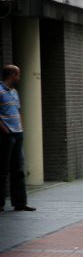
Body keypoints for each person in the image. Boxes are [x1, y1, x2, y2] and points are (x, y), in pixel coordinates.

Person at [0, 65, 36, 212]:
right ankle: (0, 204)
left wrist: (20, 127)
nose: (19, 78)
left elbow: (18, 111)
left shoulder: (15, 92)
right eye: (18, 75)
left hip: (18, 134)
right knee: (2, 170)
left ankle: (20, 203)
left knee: (18, 169)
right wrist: (5, 130)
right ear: (12, 75)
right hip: (6, 135)